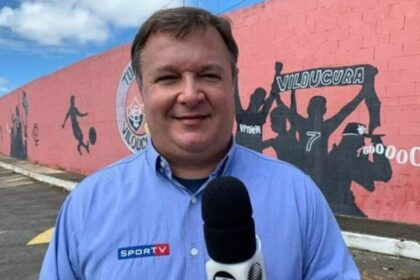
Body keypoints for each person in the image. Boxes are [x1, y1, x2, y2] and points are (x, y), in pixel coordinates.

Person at [40, 7, 359, 279]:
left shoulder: (298, 195)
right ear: (141, 89)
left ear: (232, 82)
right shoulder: (86, 207)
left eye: (208, 75)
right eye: (168, 78)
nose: (191, 95)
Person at [322, 123, 392, 216]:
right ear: (352, 141)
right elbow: (383, 174)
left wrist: (363, 161)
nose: (363, 144)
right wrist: (378, 145)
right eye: (361, 140)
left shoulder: (337, 154)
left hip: (335, 205)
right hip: (338, 208)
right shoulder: (346, 159)